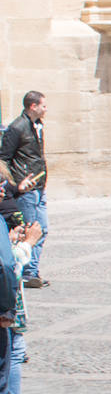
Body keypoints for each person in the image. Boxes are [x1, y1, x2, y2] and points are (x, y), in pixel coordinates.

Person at [0, 92, 49, 289]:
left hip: (37, 185)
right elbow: (5, 158)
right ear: (33, 106)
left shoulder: (36, 126)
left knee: (41, 229)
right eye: (43, 105)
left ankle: (32, 270)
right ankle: (28, 272)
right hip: (24, 188)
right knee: (29, 229)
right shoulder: (18, 127)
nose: (46, 109)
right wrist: (15, 185)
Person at [5, 221, 46, 394]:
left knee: (15, 351)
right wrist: (29, 242)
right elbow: (9, 265)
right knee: (12, 353)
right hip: (5, 302)